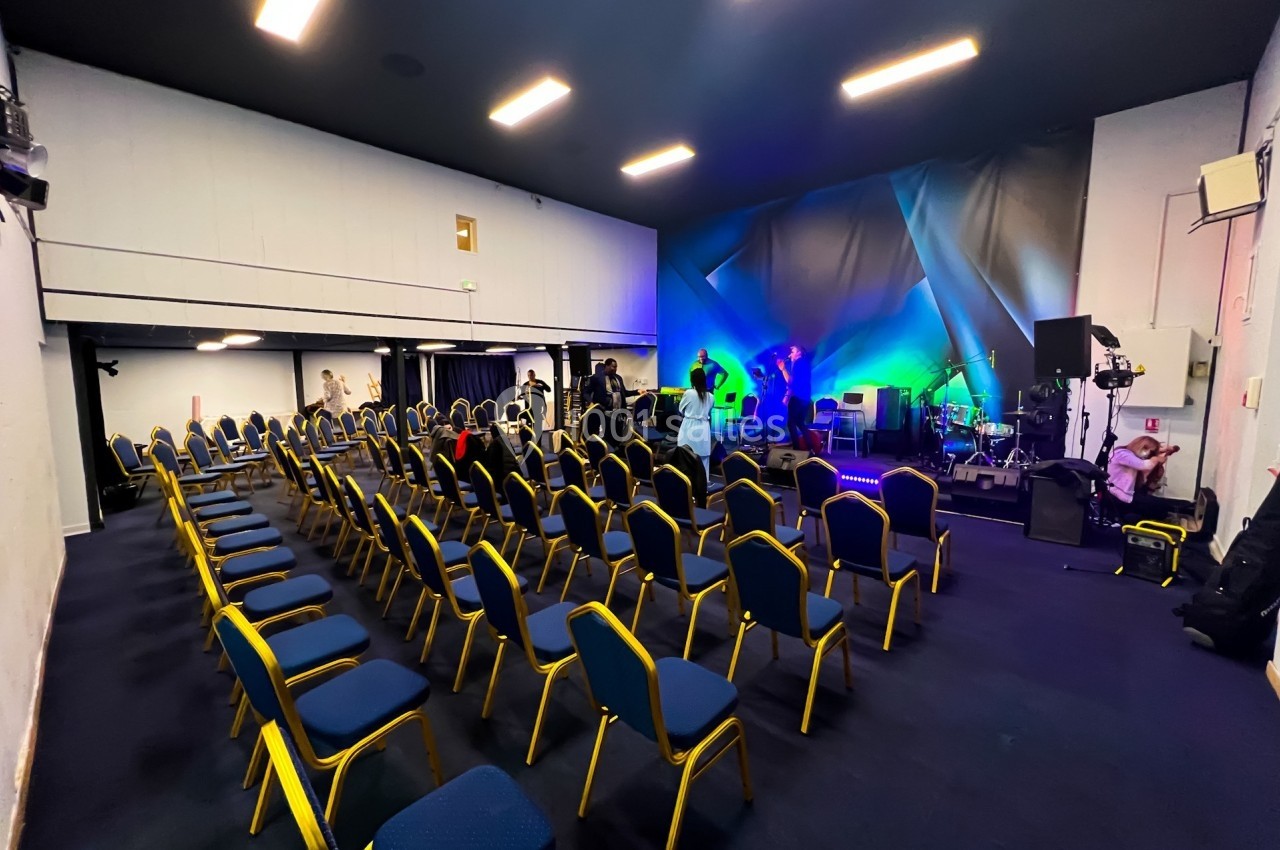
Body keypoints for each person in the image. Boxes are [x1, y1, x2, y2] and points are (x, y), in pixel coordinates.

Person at [1107, 435, 1191, 519]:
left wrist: (1161, 453)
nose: (1148, 453)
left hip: (1129, 493)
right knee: (1160, 507)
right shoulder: (1121, 454)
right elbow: (1145, 465)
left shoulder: (1132, 456)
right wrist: (1157, 458)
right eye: (1148, 450)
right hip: (1118, 495)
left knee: (1161, 505)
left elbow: (1146, 462)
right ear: (1141, 446)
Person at [587, 358, 648, 445]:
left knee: (618, 436)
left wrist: (637, 391)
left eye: (616, 367)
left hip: (619, 412)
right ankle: (608, 451)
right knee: (608, 437)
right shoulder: (596, 378)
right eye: (613, 367)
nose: (615, 369)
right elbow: (586, 392)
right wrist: (590, 402)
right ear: (607, 366)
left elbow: (624, 393)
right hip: (605, 412)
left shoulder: (618, 378)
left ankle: (617, 450)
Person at [678, 367, 715, 477]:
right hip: (704, 426)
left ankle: (686, 482)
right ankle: (704, 483)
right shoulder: (711, 396)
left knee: (685, 455)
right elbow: (709, 411)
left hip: (689, 426)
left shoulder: (689, 393)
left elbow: (680, 409)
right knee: (704, 458)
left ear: (692, 380)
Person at [777, 344, 811, 449]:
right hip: (804, 397)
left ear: (799, 353)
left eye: (792, 352)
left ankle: (797, 448)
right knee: (799, 422)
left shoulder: (798, 364)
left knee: (791, 423)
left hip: (798, 397)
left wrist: (783, 369)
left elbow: (791, 382)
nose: (790, 354)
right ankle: (810, 447)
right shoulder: (803, 363)